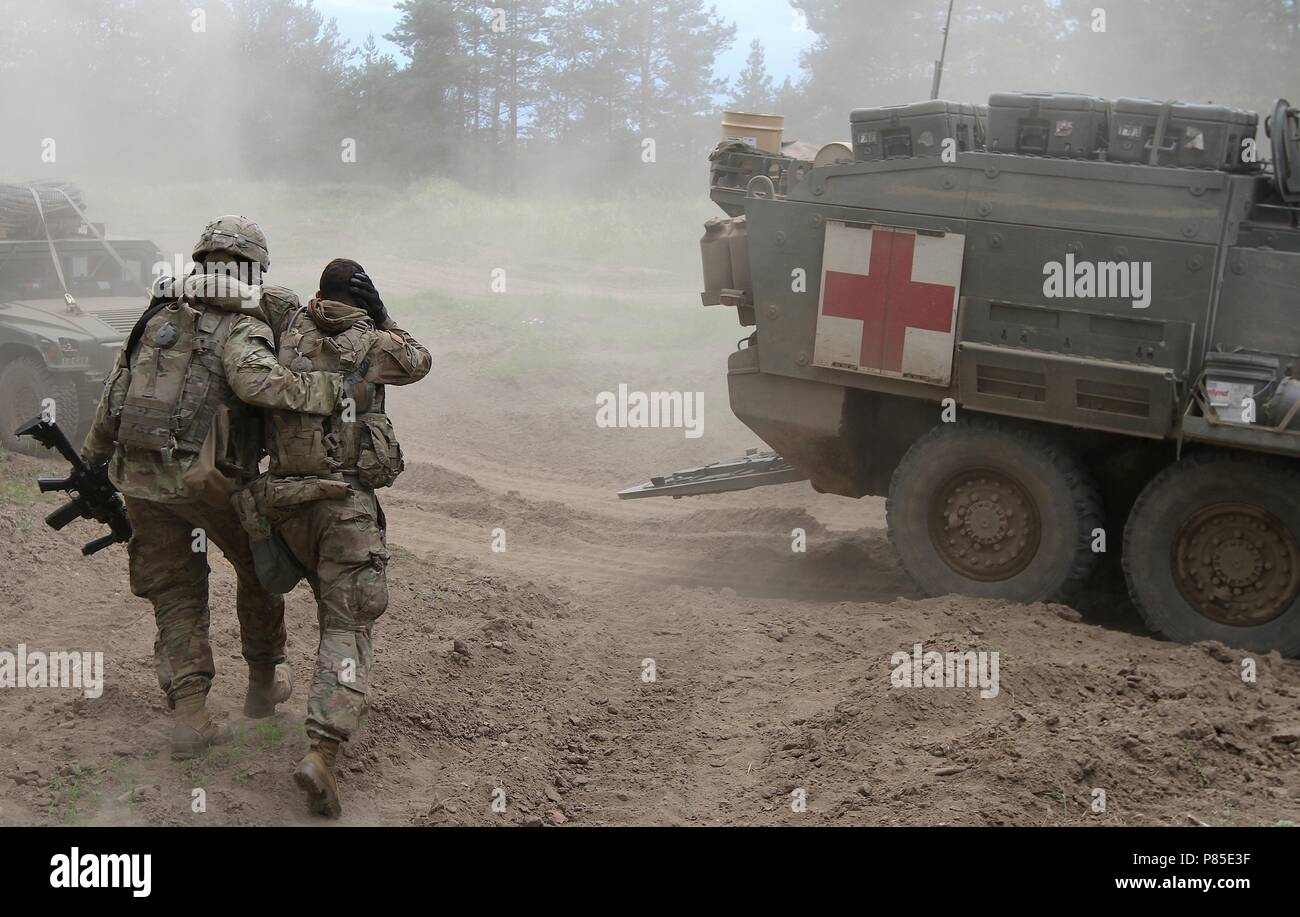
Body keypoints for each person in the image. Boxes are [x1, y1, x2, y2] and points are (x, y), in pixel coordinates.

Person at [81, 215, 347, 759]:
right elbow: (257, 382)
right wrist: (328, 390)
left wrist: (93, 463)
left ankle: (191, 715)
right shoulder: (242, 323)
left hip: (142, 479)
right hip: (214, 481)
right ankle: (262, 684)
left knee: (177, 594)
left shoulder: (156, 318)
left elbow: (113, 400)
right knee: (260, 570)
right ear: (253, 269)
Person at [245, 258, 430, 817]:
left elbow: (264, 295)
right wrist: (380, 314)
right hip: (343, 508)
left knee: (279, 592)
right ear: (363, 299)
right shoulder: (374, 345)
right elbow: (420, 359)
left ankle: (257, 687)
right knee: (347, 625)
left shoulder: (287, 323)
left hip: (281, 501)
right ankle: (322, 749)